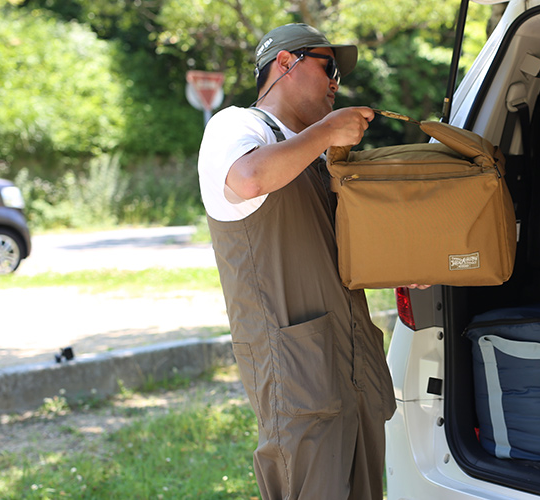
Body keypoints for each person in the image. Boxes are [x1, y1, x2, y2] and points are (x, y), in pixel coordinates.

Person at [196, 23, 396, 500]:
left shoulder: (320, 156)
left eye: (338, 78)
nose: (334, 84)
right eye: (328, 68)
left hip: (351, 373)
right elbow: (248, 179)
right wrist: (328, 130)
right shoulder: (236, 126)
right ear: (284, 63)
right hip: (300, 379)